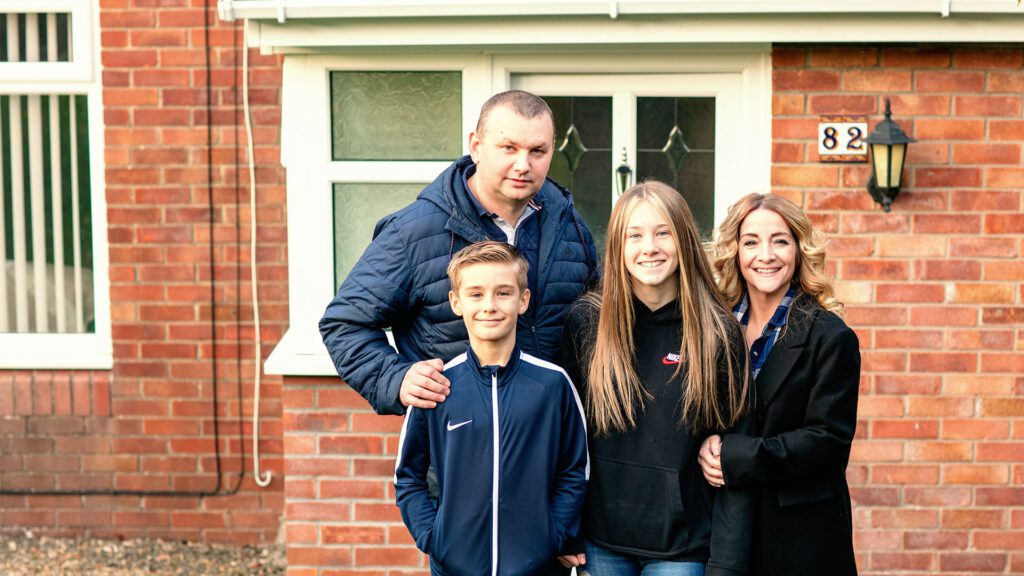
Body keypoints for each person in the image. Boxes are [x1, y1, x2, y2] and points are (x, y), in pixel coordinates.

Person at [320, 90, 598, 415]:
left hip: (553, 445)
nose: (523, 165)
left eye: (538, 151)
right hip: (456, 448)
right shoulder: (413, 232)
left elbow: (598, 319)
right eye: (509, 148)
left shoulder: (569, 224)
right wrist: (395, 377)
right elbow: (343, 324)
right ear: (476, 147)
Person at [558, 181, 752, 576]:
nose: (650, 247)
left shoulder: (716, 331)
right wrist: (563, 529)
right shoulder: (586, 323)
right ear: (617, 246)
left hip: (682, 548)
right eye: (636, 235)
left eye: (663, 233)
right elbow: (563, 437)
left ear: (684, 240)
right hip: (601, 542)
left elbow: (735, 444)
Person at [394, 241, 589, 576]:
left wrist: (554, 535)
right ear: (456, 302)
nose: (489, 306)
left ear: (523, 300)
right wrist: (433, 536)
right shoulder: (438, 385)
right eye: (476, 294)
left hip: (537, 565)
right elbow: (408, 476)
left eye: (503, 293)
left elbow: (575, 469)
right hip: (454, 565)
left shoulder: (552, 384)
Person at [697, 193, 860, 576]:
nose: (765, 255)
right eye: (751, 241)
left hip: (799, 539)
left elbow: (828, 443)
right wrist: (703, 445)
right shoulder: (714, 328)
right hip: (722, 530)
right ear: (735, 251)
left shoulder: (830, 337)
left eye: (780, 241)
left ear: (800, 250)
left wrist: (736, 457)